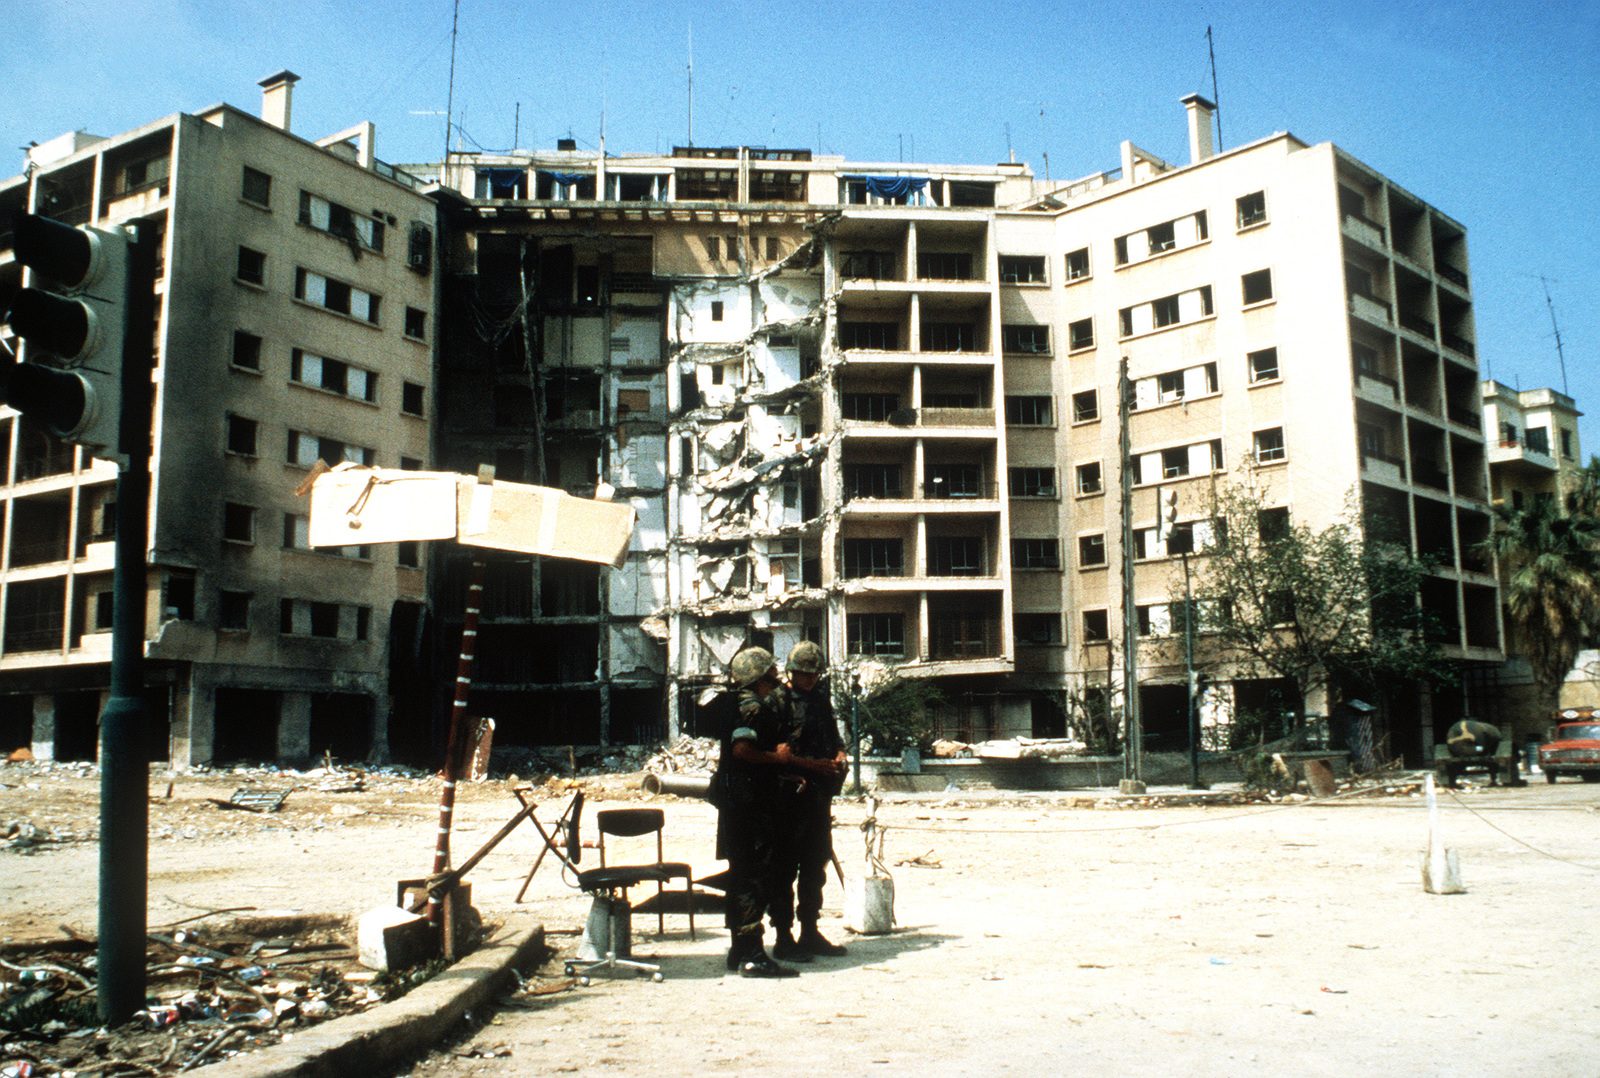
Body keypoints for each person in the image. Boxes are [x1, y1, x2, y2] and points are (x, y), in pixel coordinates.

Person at [707, 646, 801, 978]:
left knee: (740, 874)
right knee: (754, 875)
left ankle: (739, 948)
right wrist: (778, 759)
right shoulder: (752, 709)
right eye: (771, 676)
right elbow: (743, 750)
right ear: (761, 678)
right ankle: (753, 955)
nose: (776, 681)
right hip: (750, 806)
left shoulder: (731, 703)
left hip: (736, 802)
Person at [768, 640, 849, 961]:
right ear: (792, 672)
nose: (810, 679)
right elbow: (776, 755)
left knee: (815, 865)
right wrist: (812, 765)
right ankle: (784, 935)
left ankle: (809, 931)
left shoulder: (819, 701)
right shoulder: (777, 703)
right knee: (784, 868)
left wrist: (840, 755)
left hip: (817, 798)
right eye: (804, 674)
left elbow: (834, 739)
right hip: (787, 799)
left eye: (814, 674)